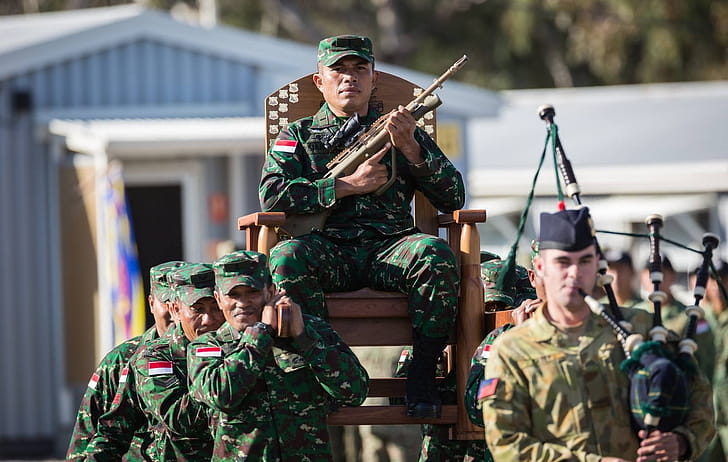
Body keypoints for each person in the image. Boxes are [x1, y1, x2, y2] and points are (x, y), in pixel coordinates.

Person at [259, 34, 465, 418]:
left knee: (434, 253)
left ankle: (422, 375)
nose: (349, 77)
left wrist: (412, 149)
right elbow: (272, 196)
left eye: (359, 69)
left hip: (390, 248)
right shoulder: (298, 136)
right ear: (320, 81)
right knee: (286, 257)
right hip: (328, 249)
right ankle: (318, 374)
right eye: (338, 70)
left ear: (373, 79)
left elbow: (453, 197)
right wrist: (345, 186)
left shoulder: (400, 129)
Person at [480, 207, 715, 461]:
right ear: (540, 268)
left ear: (597, 266)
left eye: (585, 261)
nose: (574, 273)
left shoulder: (639, 327)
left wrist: (682, 441)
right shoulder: (512, 350)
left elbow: (698, 393)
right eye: (562, 262)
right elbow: (506, 443)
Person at [187, 250, 369, 461]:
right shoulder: (207, 347)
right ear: (219, 299)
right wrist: (260, 334)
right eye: (233, 295)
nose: (243, 302)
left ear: (272, 291)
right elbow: (221, 396)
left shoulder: (310, 330)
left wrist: (305, 340)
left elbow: (355, 392)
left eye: (252, 292)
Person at [87, 263, 224, 461]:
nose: (208, 320)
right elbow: (110, 433)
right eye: (197, 309)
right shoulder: (151, 358)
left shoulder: (239, 349)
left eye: (216, 307)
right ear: (175, 309)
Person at [67, 260, 184, 461]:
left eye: (182, 303)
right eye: (167, 302)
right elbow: (86, 435)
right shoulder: (122, 360)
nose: (175, 310)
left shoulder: (211, 359)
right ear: (151, 304)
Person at [637, 255, 716, 382]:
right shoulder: (635, 313)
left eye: (663, 272)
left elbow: (706, 360)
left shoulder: (691, 316)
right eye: (650, 273)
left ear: (673, 276)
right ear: (642, 277)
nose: (657, 278)